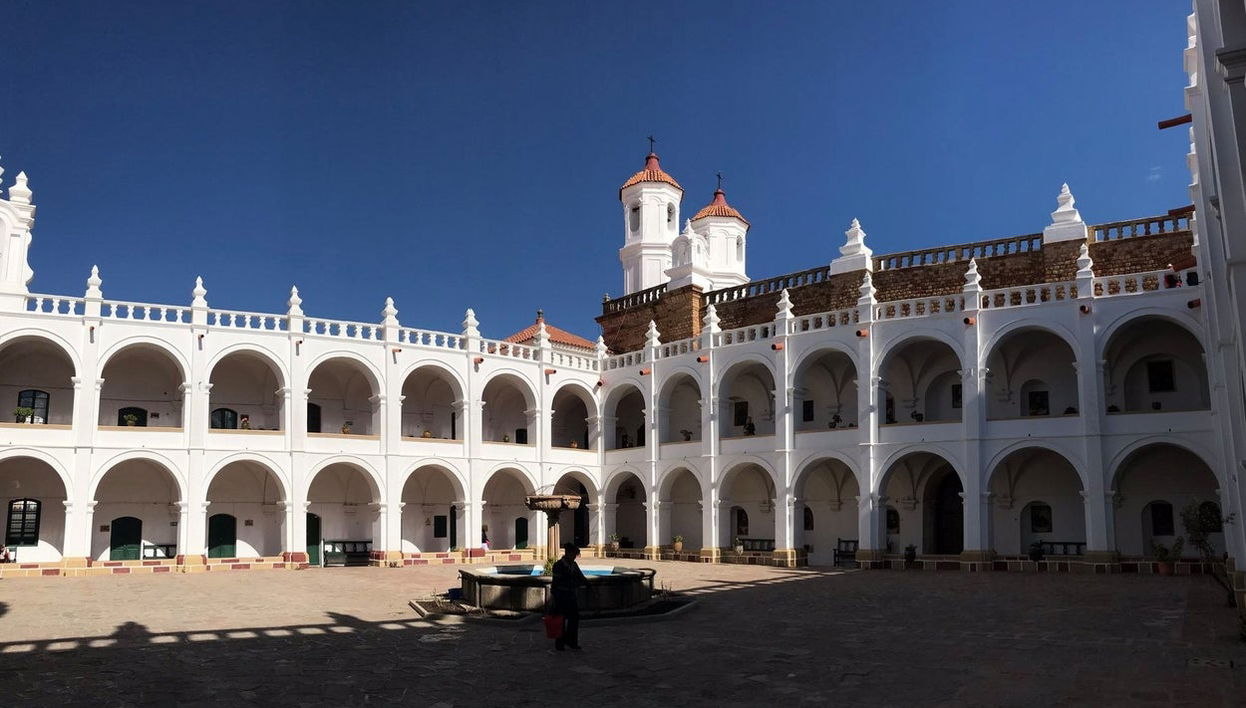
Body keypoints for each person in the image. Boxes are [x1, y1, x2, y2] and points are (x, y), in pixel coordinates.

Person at [550, 542, 588, 651]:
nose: (574, 557)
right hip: (561, 596)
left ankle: (572, 641)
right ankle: (560, 643)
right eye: (573, 554)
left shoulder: (574, 565)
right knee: (560, 620)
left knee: (574, 619)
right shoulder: (558, 565)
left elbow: (581, 577)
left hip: (571, 596)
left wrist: (588, 585)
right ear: (568, 553)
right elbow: (557, 582)